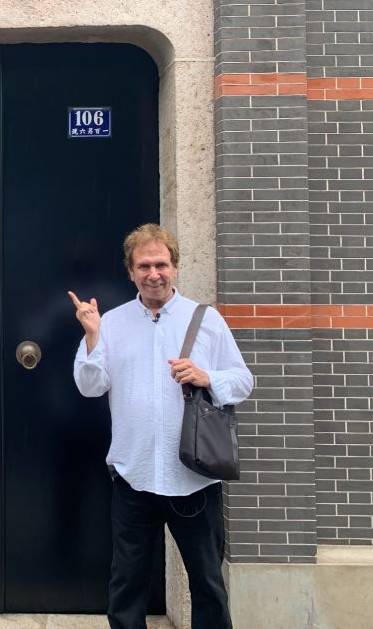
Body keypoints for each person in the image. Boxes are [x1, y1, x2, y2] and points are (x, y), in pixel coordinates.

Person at [68, 223, 253, 629]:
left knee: (207, 584)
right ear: (130, 271)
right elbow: (89, 386)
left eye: (161, 264)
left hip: (194, 479)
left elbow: (243, 381)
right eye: (144, 266)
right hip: (134, 478)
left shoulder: (205, 319)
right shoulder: (112, 323)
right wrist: (93, 337)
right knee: (127, 584)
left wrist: (207, 377)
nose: (154, 274)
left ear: (176, 267)